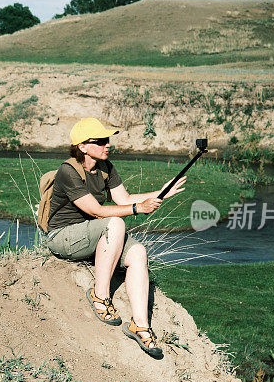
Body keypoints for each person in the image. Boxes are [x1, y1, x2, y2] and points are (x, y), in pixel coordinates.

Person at [44, 118, 186, 357]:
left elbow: (124, 198)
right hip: (63, 236)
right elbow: (96, 211)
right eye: (99, 141)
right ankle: (100, 296)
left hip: (93, 234)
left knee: (138, 252)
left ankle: (140, 325)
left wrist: (162, 192)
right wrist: (138, 209)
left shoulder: (105, 166)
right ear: (82, 147)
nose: (106, 145)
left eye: (107, 140)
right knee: (115, 222)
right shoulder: (68, 171)